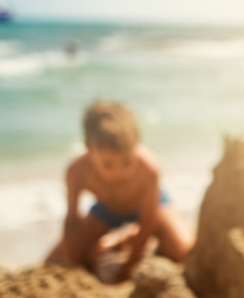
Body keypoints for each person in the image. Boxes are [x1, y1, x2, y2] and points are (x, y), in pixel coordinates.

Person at [46, 101, 193, 283]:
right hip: (107, 209)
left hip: (152, 208)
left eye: (127, 162)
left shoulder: (148, 168)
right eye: (108, 165)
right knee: (54, 262)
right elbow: (72, 221)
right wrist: (76, 263)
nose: (119, 173)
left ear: (137, 146)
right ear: (88, 150)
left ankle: (130, 238)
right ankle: (118, 240)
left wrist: (127, 269)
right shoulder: (77, 171)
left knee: (186, 253)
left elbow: (148, 221)